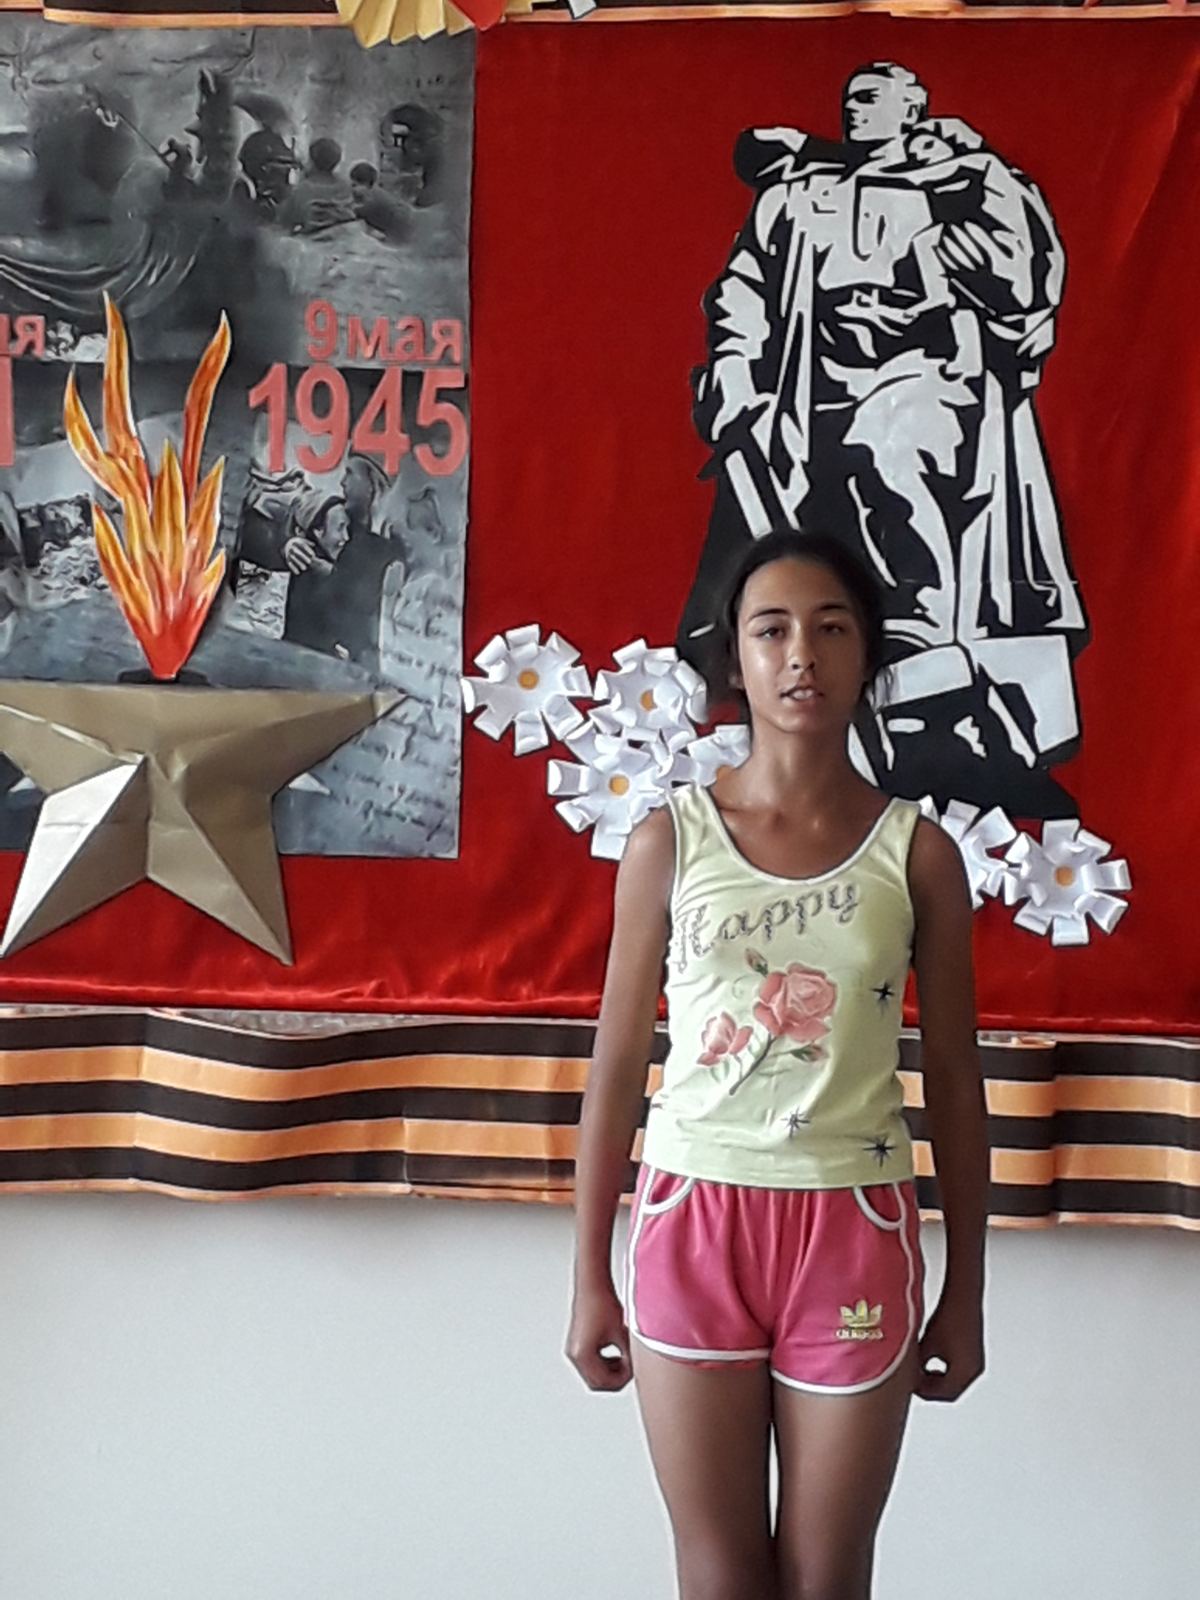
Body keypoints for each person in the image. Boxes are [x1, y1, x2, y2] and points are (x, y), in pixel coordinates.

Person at [569, 530, 988, 1600]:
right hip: (691, 1222)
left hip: (854, 1229)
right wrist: (587, 1276)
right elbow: (616, 1065)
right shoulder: (669, 842)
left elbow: (954, 1078)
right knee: (719, 1576)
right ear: (736, 658)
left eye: (831, 628)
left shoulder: (918, 854)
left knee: (826, 1575)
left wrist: (969, 1292)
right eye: (773, 630)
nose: (802, 653)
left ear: (867, 654)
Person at [679, 61, 1088, 817]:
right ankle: (819, 694)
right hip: (813, 389)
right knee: (805, 527)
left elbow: (1023, 281)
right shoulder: (797, 194)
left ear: (913, 108)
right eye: (852, 98)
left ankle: (920, 658)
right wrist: (735, 373)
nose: (859, 108)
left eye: (877, 97)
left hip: (929, 378)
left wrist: (977, 246)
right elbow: (744, 292)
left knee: (890, 454)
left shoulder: (967, 182)